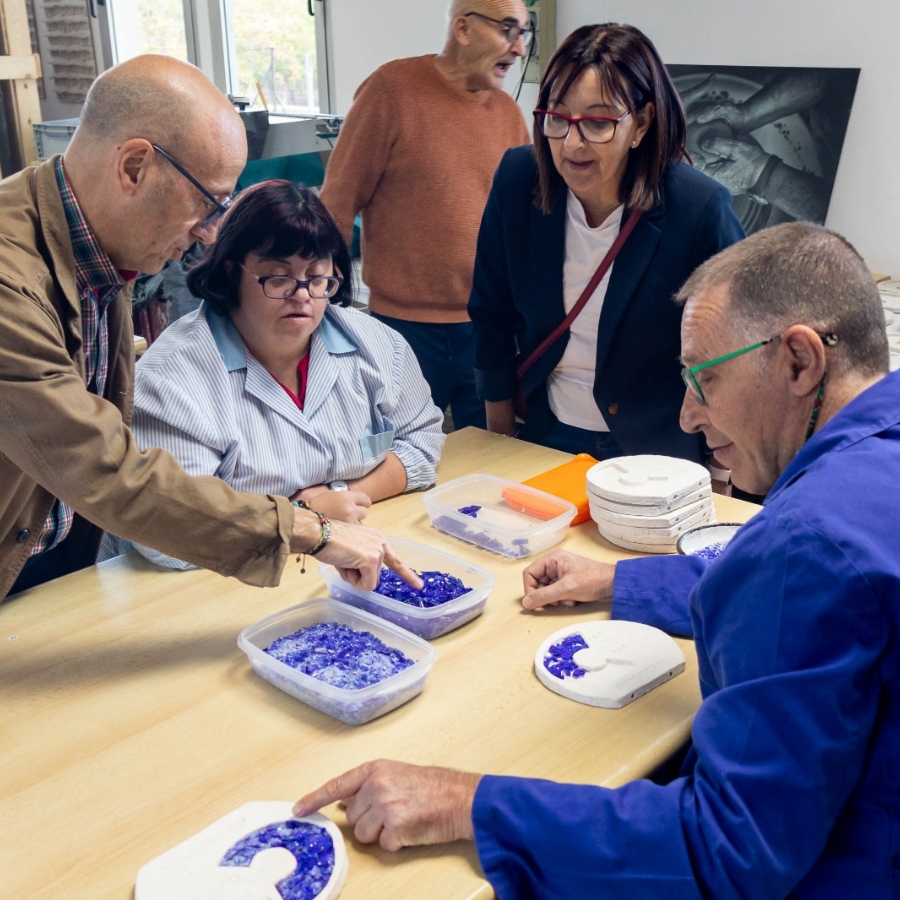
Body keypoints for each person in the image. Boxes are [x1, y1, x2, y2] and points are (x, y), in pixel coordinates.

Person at [294, 222, 900, 898]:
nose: (691, 415)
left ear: (798, 360)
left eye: (705, 379)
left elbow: (724, 852)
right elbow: (804, 594)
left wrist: (465, 801)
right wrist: (621, 579)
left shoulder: (808, 546)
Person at [0, 55, 417, 599]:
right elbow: (103, 467)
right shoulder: (12, 283)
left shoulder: (103, 244)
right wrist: (309, 530)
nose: (207, 232)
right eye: (206, 200)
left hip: (48, 550)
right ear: (133, 167)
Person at [108, 180, 444, 569]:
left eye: (317, 278)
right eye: (279, 278)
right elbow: (170, 536)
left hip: (337, 555)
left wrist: (340, 496)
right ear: (232, 273)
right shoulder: (171, 380)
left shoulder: (376, 344)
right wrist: (304, 515)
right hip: (204, 585)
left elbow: (423, 442)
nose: (302, 295)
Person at [469, 23, 744, 464]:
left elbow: (733, 349)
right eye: (557, 118)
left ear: (642, 122)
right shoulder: (518, 180)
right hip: (544, 430)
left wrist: (719, 463)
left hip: (654, 447)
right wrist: (499, 439)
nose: (572, 143)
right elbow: (491, 312)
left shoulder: (699, 209)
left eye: (598, 122)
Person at [318, 0, 531, 430]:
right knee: (401, 460)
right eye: (509, 29)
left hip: (488, 330)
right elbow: (336, 206)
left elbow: (526, 221)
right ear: (464, 28)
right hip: (403, 332)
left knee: (491, 462)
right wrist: (322, 308)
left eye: (525, 32)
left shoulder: (508, 114)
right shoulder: (391, 91)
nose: (519, 48)